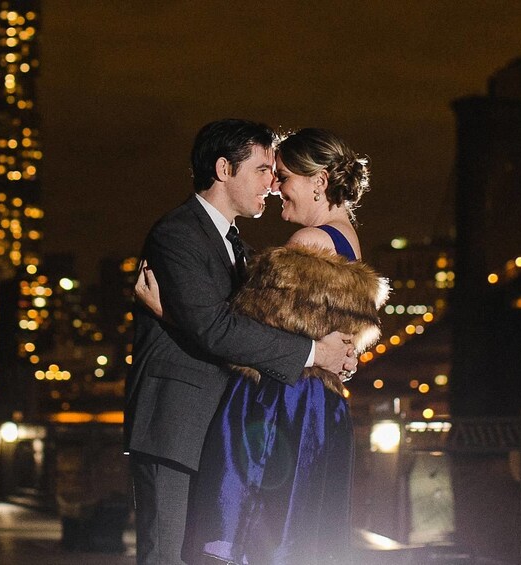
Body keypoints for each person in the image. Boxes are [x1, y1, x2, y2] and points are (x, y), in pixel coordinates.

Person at [137, 128, 380, 564]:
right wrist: (329, 356)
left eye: (280, 174)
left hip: (279, 410)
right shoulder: (344, 243)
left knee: (252, 537)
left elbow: (235, 329)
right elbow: (241, 330)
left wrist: (170, 312)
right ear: (224, 169)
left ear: (319, 182)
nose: (274, 185)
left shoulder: (302, 245)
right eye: (267, 170)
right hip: (304, 412)